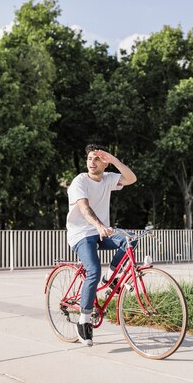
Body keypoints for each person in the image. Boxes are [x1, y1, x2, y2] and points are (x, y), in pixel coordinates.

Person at [66, 144, 137, 346]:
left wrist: (114, 160)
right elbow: (84, 207)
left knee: (131, 239)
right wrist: (98, 225)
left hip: (100, 233)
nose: (92, 162)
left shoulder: (108, 179)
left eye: (97, 159)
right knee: (93, 271)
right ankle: (84, 320)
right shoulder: (80, 181)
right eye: (89, 158)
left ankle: (111, 276)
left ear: (104, 163)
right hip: (82, 234)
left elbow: (132, 179)